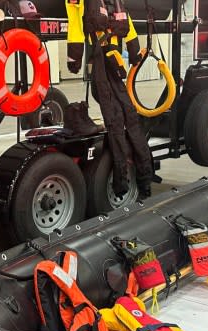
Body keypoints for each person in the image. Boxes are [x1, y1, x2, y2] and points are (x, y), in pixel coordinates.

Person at [66, 0, 154, 198]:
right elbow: (128, 25)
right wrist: (133, 51)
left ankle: (122, 183)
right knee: (129, 118)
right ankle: (145, 179)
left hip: (102, 63)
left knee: (117, 121)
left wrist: (74, 59)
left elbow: (75, 26)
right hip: (113, 61)